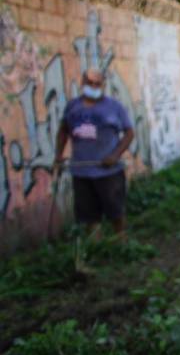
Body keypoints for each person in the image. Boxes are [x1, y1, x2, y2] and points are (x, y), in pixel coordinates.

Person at [53, 68, 135, 236]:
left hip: (109, 172)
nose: (93, 87)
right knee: (90, 217)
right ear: (83, 83)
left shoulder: (114, 107)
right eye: (90, 83)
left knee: (116, 213)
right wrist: (58, 156)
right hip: (82, 173)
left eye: (97, 84)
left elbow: (129, 133)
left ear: (103, 85)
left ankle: (122, 244)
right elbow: (63, 131)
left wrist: (115, 155)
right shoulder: (72, 107)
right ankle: (97, 249)